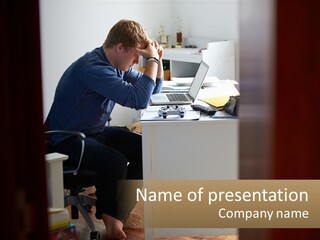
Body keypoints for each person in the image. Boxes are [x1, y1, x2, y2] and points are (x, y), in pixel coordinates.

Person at [45, 19, 163, 239]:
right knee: (115, 161)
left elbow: (152, 90)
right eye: (135, 55)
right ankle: (111, 221)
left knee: (145, 148)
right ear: (120, 48)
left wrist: (158, 61)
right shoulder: (94, 68)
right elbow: (139, 99)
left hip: (91, 132)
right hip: (65, 140)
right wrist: (152, 60)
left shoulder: (114, 64)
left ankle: (117, 216)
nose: (137, 61)